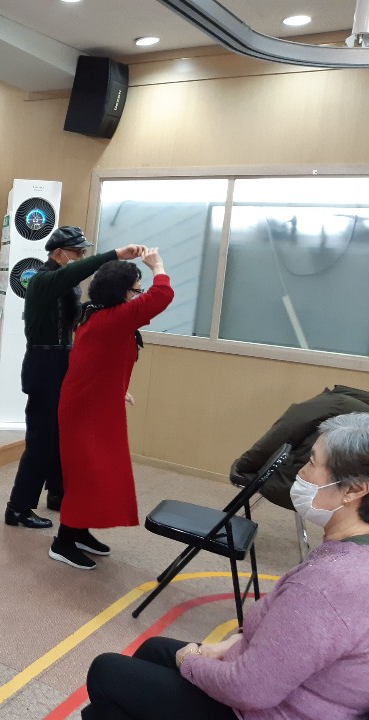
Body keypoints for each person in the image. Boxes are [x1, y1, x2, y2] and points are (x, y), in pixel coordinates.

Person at [81, 412, 369, 720]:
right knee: (151, 652)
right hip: (291, 690)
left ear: (354, 490)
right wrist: (236, 641)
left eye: (311, 462)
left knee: (106, 672)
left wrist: (190, 662)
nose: (300, 472)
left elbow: (251, 689)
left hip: (264, 708)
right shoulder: (351, 557)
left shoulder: (326, 585)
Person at [5, 227, 144, 529]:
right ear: (59, 253)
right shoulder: (41, 280)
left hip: (63, 361)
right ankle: (18, 508)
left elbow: (73, 315)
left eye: (83, 252)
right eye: (77, 252)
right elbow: (73, 274)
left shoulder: (65, 285)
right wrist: (115, 255)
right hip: (44, 365)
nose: (81, 257)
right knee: (41, 440)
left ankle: (58, 494)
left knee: (62, 435)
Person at [52, 248, 173, 569]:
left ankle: (79, 531)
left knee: (99, 473)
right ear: (120, 291)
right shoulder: (113, 318)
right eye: (135, 290)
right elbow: (162, 296)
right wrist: (157, 266)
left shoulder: (101, 315)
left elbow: (97, 363)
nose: (138, 295)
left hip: (96, 404)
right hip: (85, 411)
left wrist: (119, 390)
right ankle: (63, 541)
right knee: (88, 473)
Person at [231, 385, 369, 510]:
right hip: (348, 499)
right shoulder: (358, 411)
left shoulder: (339, 402)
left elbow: (284, 431)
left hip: (299, 484)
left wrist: (245, 465)